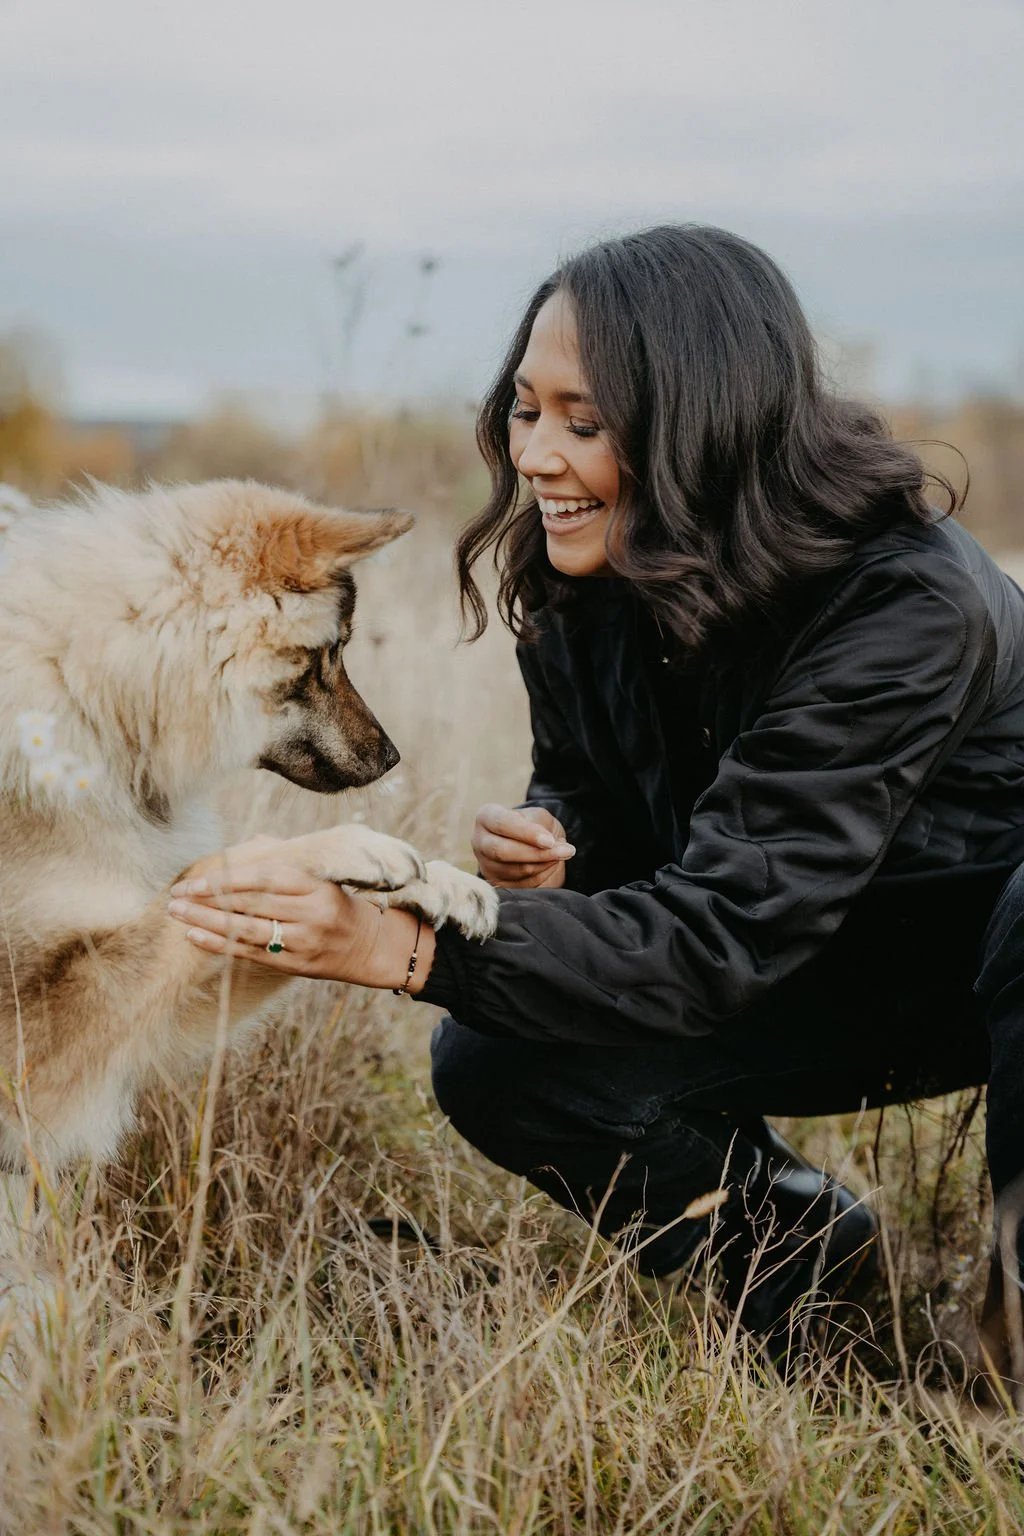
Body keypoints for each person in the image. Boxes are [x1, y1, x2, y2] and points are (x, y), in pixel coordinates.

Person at [167, 225, 1024, 1377]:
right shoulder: (586, 578)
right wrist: (554, 856)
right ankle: (800, 1252)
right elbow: (607, 805)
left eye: (586, 421)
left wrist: (395, 940)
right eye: (526, 409)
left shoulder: (906, 606)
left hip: (967, 960)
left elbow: (717, 929)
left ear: (703, 421)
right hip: (790, 946)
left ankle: (1009, 1352)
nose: (535, 456)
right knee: (498, 1055)